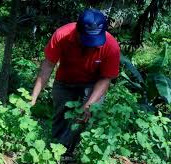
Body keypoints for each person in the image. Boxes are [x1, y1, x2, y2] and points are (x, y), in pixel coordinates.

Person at [31, 9, 120, 153]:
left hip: (93, 84)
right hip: (65, 81)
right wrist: (33, 97)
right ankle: (54, 151)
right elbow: (48, 65)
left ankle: (75, 153)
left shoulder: (111, 46)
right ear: (77, 31)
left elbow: (105, 78)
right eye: (87, 40)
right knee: (61, 115)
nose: (91, 45)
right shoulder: (62, 35)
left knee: (84, 117)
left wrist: (89, 105)